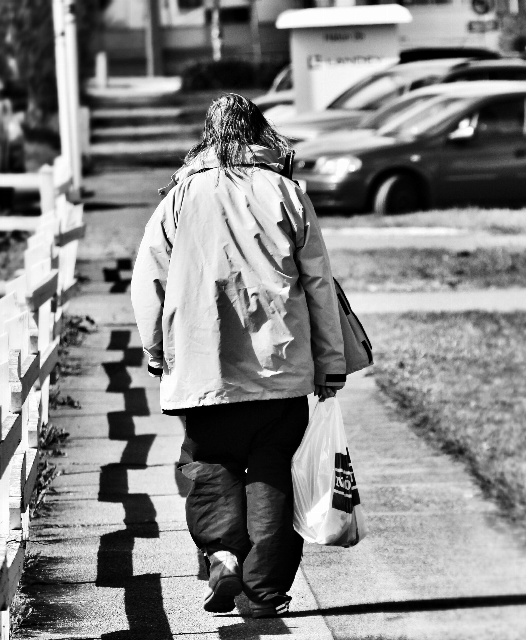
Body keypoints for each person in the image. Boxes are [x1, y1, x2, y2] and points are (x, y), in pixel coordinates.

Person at [130, 94, 346, 618]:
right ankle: (263, 593)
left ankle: (222, 553)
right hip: (281, 369)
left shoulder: (179, 198)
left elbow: (148, 280)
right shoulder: (287, 193)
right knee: (272, 471)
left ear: (206, 136)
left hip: (204, 369)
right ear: (260, 132)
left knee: (209, 464)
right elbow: (318, 282)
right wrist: (330, 360)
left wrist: (157, 349)